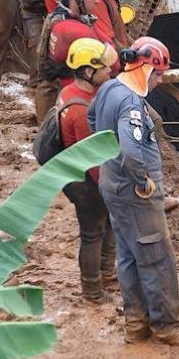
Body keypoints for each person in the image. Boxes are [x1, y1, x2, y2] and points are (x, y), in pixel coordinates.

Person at [88, 36, 179, 345]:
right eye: (159, 74)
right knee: (156, 258)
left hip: (111, 185)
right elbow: (131, 149)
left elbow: (92, 118)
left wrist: (106, 161)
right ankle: (167, 327)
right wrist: (143, 181)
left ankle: (136, 324)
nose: (161, 80)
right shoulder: (132, 104)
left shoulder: (110, 87)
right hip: (136, 194)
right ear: (144, 67)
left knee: (128, 255)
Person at [56, 37, 116, 301]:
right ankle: (92, 290)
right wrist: (112, 188)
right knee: (93, 233)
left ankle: (107, 273)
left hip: (75, 170)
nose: (110, 71)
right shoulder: (81, 111)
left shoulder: (69, 92)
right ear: (88, 72)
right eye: (105, 68)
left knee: (109, 223)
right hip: (84, 180)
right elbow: (93, 162)